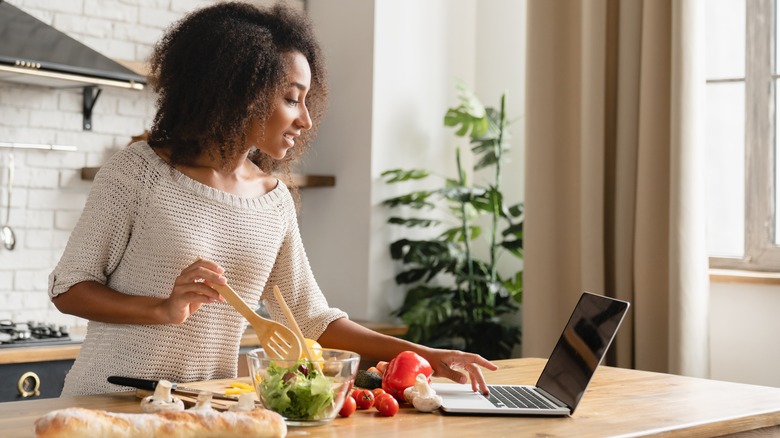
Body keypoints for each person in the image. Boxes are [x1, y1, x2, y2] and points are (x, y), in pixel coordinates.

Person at [49, 1, 497, 397]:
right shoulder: (139, 172)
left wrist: (424, 354)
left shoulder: (273, 200)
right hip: (108, 402)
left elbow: (312, 320)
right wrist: (162, 308)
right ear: (239, 92)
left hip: (205, 409)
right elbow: (68, 288)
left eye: (306, 101)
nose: (305, 119)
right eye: (290, 99)